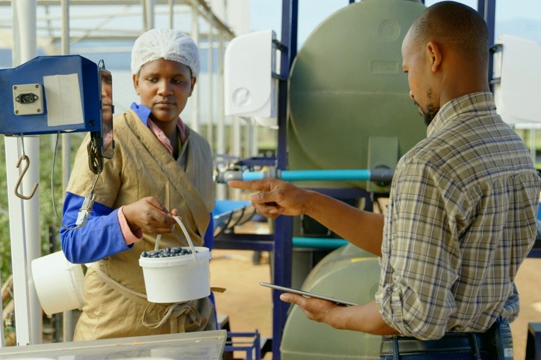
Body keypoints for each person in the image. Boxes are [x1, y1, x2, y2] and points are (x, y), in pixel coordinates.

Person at [229, 2, 540, 359]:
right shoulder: (514, 151)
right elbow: (411, 244)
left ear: (433, 55)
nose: (409, 89)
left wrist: (334, 315)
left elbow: (413, 315)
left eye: (408, 70)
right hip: (491, 348)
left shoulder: (428, 163)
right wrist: (306, 201)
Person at [60, 28, 217, 340]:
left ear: (192, 84)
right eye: (153, 79)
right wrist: (127, 219)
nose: (165, 90)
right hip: (119, 324)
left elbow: (203, 243)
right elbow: (73, 241)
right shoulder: (109, 141)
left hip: (187, 326)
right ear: (135, 82)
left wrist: (210, 313)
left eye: (177, 80)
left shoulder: (201, 149)